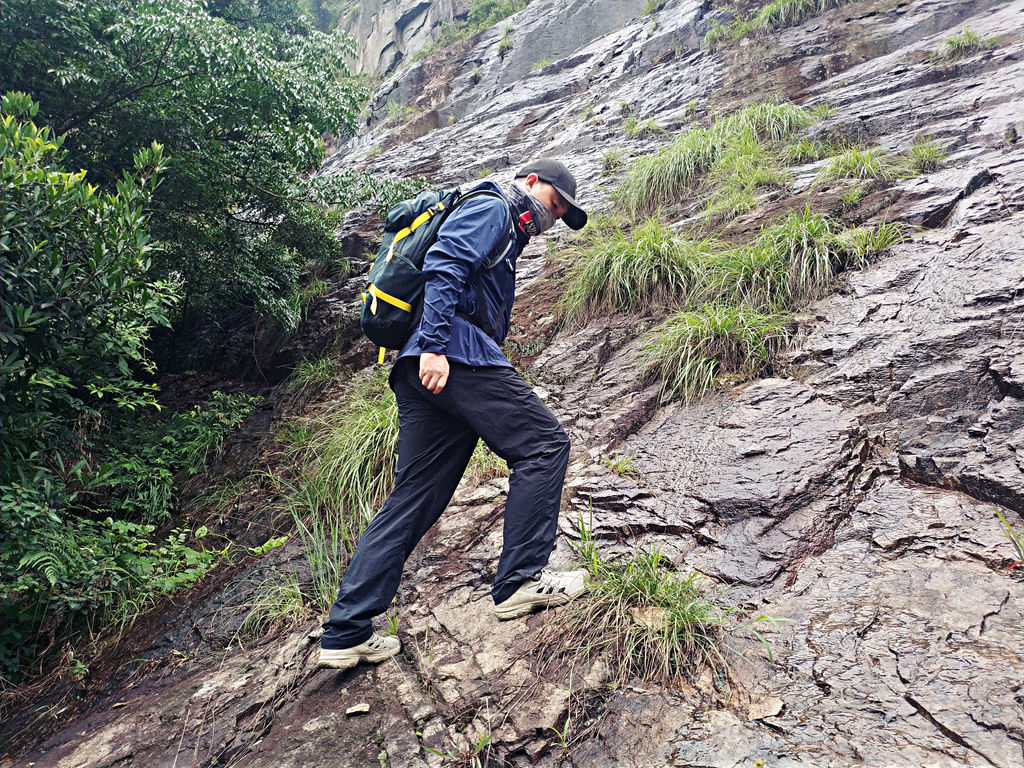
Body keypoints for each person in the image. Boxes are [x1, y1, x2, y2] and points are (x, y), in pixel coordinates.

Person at [318, 159, 589, 670]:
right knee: (545, 445)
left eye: (560, 215)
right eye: (554, 204)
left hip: (423, 366)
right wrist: (438, 346)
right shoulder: (494, 205)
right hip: (452, 354)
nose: (552, 218)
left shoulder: (507, 224)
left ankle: (345, 632)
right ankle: (521, 581)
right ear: (532, 181)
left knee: (412, 498)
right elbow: (445, 263)